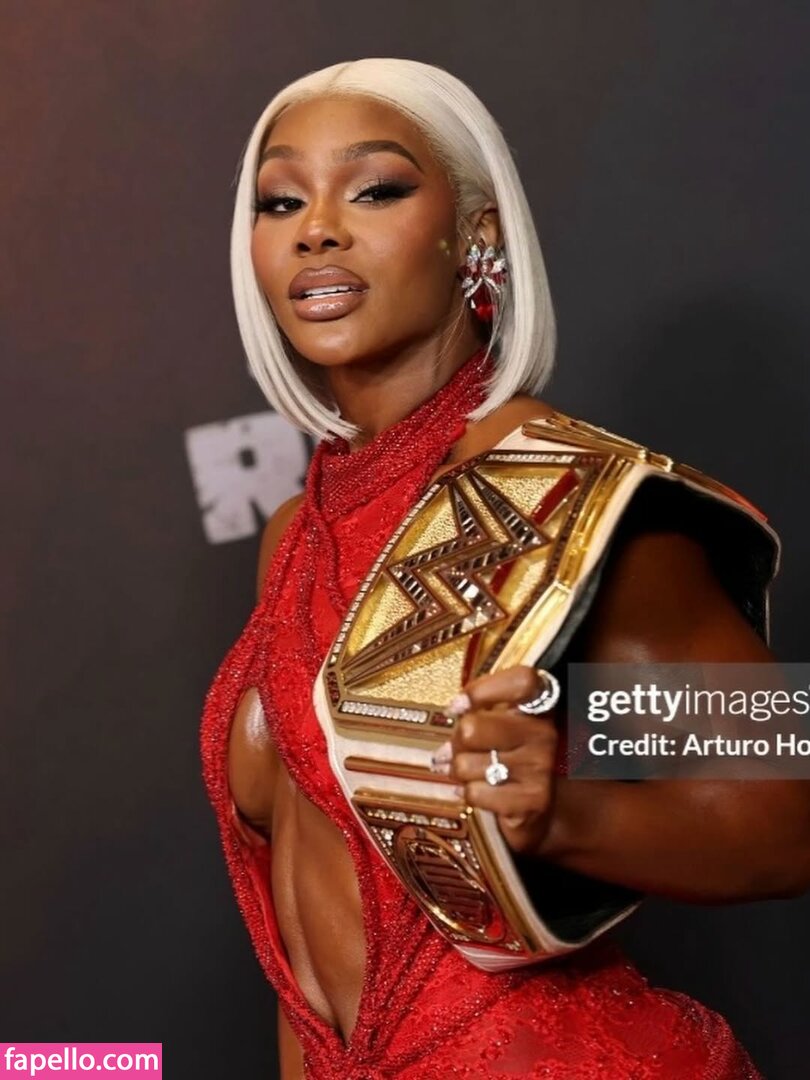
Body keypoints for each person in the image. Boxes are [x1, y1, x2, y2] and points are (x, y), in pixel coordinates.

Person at [200, 58, 810, 1078]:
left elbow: (788, 817)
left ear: (476, 233)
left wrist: (563, 814)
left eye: (375, 189)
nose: (317, 229)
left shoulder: (578, 494)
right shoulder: (295, 532)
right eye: (281, 201)